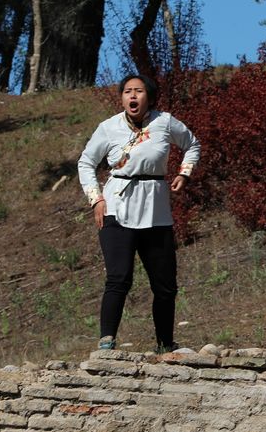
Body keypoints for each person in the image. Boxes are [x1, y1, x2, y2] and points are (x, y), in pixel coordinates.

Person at [78, 74, 199, 353]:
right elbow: (86, 162)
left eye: (139, 91)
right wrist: (96, 199)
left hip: (156, 209)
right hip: (117, 208)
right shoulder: (108, 128)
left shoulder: (165, 122)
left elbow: (192, 145)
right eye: (127, 92)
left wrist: (185, 172)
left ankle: (165, 345)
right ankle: (107, 341)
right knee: (119, 277)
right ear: (122, 98)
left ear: (149, 96)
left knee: (165, 283)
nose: (133, 96)